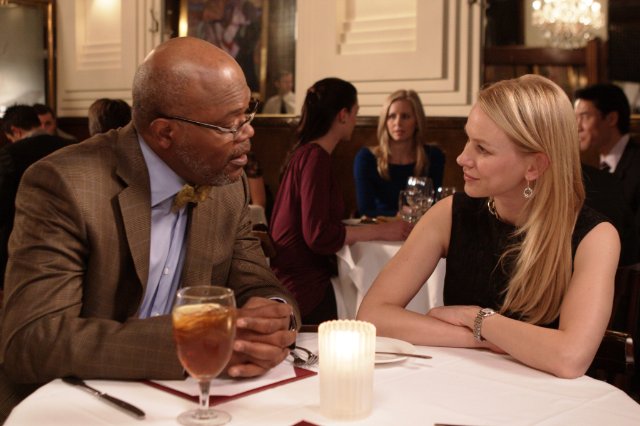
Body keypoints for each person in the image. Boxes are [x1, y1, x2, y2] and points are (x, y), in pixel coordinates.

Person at [0, 37, 299, 419]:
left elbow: (257, 282)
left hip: (184, 398)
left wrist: (272, 315)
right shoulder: (65, 184)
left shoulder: (226, 184)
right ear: (165, 133)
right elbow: (32, 341)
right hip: (73, 402)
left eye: (248, 114)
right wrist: (193, 341)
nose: (248, 133)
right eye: (230, 124)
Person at [357, 75, 620, 379]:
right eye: (468, 139)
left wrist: (475, 318)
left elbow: (570, 357)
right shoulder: (450, 214)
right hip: (462, 384)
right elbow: (372, 316)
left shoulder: (595, 237)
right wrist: (480, 338)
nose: (462, 158)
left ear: (534, 166)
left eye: (482, 149)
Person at [269, 77, 411, 325]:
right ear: (343, 115)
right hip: (305, 288)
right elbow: (318, 235)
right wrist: (383, 231)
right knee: (372, 306)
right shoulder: (315, 158)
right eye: (356, 113)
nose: (356, 120)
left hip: (298, 278)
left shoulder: (306, 153)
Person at [0, 105, 72, 290]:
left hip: (21, 238)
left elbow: (3, 206)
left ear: (15, 131)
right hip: (66, 234)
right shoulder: (70, 146)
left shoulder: (9, 154)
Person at [354, 90, 445, 217]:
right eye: (392, 116)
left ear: (417, 121)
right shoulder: (367, 157)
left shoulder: (433, 156)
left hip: (420, 224)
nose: (397, 123)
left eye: (405, 116)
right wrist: (401, 214)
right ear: (385, 121)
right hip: (381, 225)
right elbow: (366, 209)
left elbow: (434, 205)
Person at [574, 83, 640, 246]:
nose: (577, 126)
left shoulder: (636, 163)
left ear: (611, 119)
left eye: (584, 116)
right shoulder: (593, 164)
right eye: (575, 117)